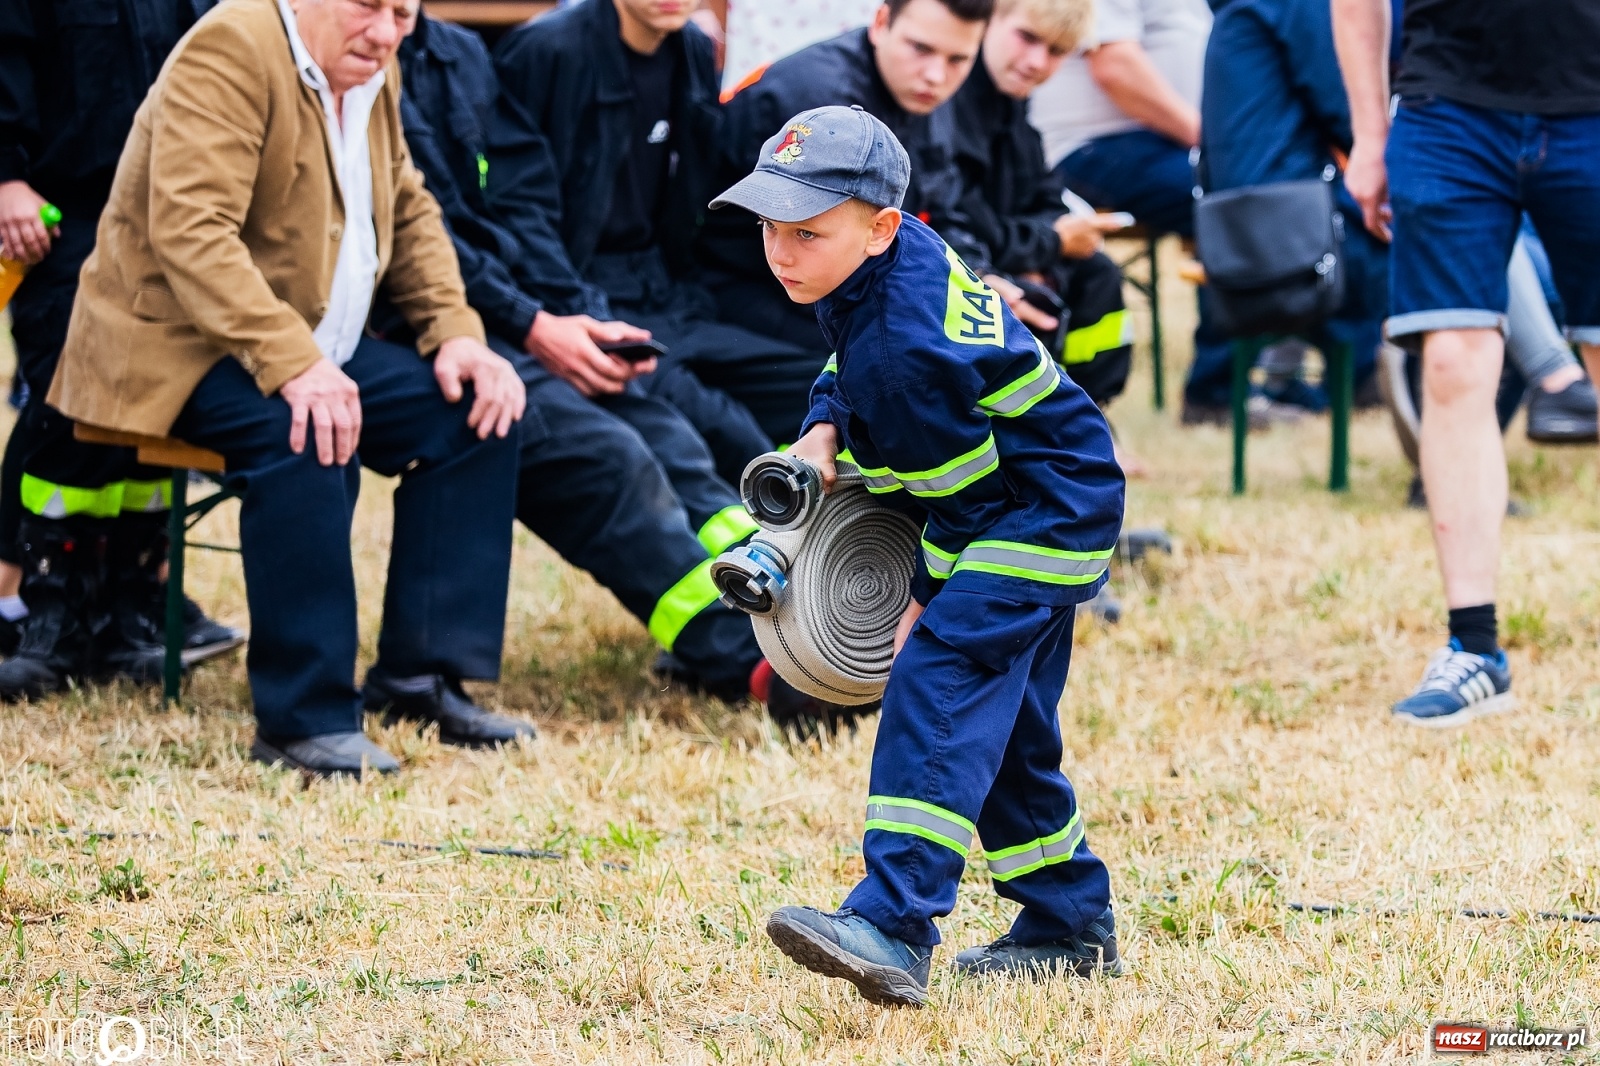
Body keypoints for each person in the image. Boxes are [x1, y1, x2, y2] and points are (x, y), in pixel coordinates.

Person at [45, 0, 535, 775]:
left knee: (475, 414)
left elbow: (406, 208)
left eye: (402, 14)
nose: (384, 31)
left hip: (306, 339)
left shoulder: (376, 58)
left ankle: (419, 676)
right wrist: (295, 365)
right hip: (176, 343)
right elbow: (191, 230)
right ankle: (301, 721)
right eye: (367, 7)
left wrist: (457, 335)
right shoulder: (231, 48)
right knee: (300, 429)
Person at [715, 106, 1125, 1005]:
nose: (782, 252)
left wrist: (922, 597)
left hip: (1041, 511)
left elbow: (959, 499)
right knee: (1006, 725)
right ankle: (1068, 921)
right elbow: (850, 363)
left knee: (939, 677)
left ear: (880, 225)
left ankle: (895, 925)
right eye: (770, 228)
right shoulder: (884, 263)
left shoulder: (905, 349)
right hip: (1049, 490)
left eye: (806, 233)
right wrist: (822, 428)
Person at [394, 10, 856, 731]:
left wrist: (563, 317)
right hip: (448, 325)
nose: (382, 23)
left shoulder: (453, 52)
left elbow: (517, 208)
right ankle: (753, 664)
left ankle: (794, 636)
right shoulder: (536, 52)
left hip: (553, 307)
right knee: (616, 461)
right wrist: (541, 322)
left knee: (675, 443)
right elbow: (431, 238)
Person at [1332, 0, 1600, 726]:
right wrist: (1366, 133)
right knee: (1450, 362)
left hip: (1590, 100)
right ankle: (1474, 647)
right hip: (1447, 104)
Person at [0, 0, 241, 695]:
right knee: (67, 407)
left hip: (173, 216)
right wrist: (6, 178)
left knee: (152, 406)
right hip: (62, 213)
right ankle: (50, 612)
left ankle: (133, 605)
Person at [490, 0, 821, 448]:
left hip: (670, 293)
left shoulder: (693, 50)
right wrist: (572, 309)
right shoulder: (546, 50)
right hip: (583, 298)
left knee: (820, 386)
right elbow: (515, 207)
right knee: (733, 435)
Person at [702, 0, 1030, 360]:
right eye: (920, 48)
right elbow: (850, 260)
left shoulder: (922, 94)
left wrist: (977, 276)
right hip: (755, 285)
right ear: (880, 22)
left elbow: (936, 206)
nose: (936, 75)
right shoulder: (821, 104)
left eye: (958, 60)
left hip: (836, 275)